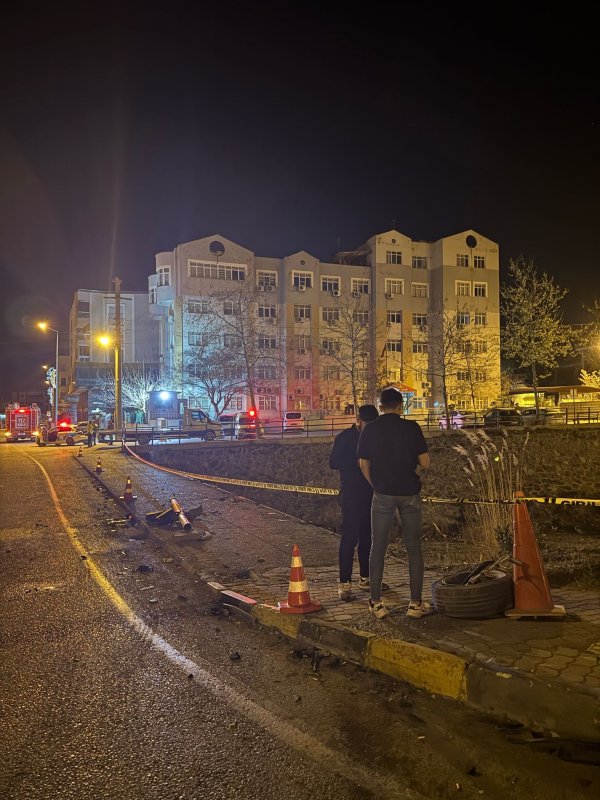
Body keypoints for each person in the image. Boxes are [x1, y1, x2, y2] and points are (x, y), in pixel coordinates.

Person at [357, 387, 431, 620]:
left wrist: (375, 485)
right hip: (409, 492)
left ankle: (376, 602)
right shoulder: (412, 428)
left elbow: (363, 463)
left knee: (377, 546)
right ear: (401, 406)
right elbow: (425, 462)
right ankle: (415, 604)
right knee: (414, 548)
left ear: (380, 407)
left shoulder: (370, 429)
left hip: (383, 494)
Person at [329, 404, 384, 601]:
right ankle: (344, 583)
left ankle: (365, 578)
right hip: (351, 493)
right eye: (367, 424)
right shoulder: (344, 437)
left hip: (370, 493)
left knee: (367, 536)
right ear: (358, 421)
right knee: (349, 537)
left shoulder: (375, 437)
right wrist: (356, 461)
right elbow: (333, 462)